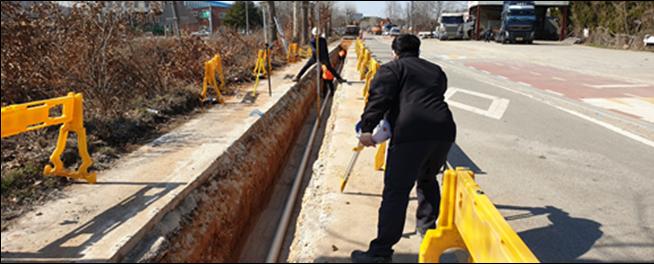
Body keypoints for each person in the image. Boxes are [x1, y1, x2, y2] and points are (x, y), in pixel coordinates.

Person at [351, 34, 457, 263]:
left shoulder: (392, 69)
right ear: (418, 50)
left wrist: (367, 129)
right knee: (428, 179)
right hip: (444, 132)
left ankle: (381, 252)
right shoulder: (436, 70)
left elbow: (379, 99)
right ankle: (428, 230)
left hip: (411, 133)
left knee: (396, 192)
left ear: (394, 51)